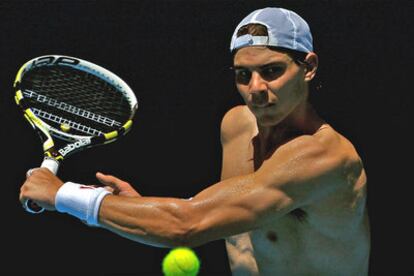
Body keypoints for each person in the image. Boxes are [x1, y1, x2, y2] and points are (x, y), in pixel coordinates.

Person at [19, 7, 370, 275]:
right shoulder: (236, 126)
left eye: (272, 71)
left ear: (308, 68)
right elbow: (224, 216)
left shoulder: (324, 157)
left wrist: (61, 194)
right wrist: (139, 210)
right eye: (243, 75)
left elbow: (186, 224)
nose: (256, 89)